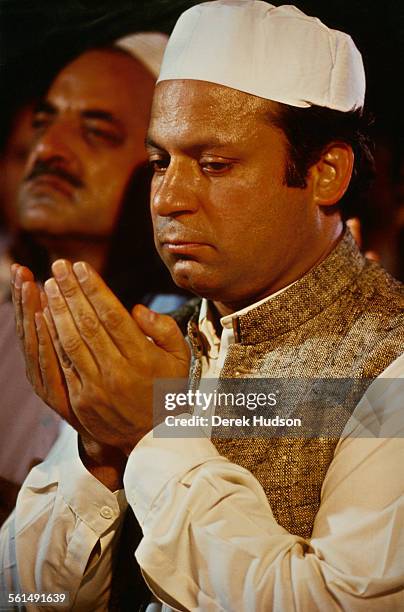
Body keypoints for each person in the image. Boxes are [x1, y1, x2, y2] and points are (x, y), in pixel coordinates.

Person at [2, 2, 404, 611]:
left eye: (214, 165)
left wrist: (153, 434)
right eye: (161, 161)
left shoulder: (388, 359)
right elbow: (29, 597)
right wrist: (98, 451)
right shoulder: (162, 340)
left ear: (326, 172)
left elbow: (337, 603)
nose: (169, 197)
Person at [0, 32, 185, 500]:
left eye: (97, 132)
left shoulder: (194, 335)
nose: (47, 151)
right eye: (43, 123)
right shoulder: (6, 303)